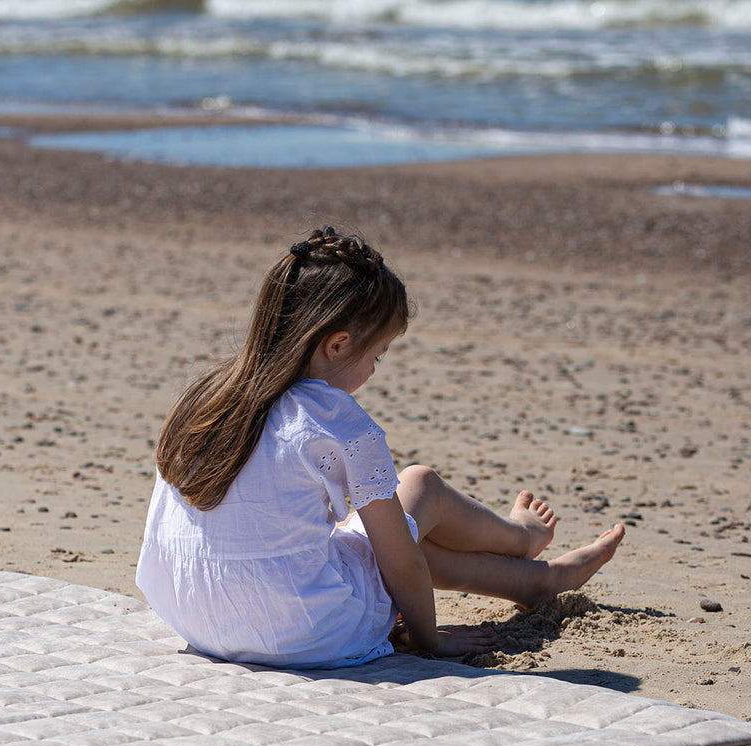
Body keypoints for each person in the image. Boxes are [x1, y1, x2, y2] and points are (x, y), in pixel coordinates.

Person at [135, 226, 624, 669]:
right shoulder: (335, 420)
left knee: (378, 536)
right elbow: (402, 563)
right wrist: (429, 640)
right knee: (419, 487)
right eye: (377, 356)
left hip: (195, 613)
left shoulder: (204, 396)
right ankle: (522, 540)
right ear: (338, 344)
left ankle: (536, 582)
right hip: (302, 630)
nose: (373, 371)